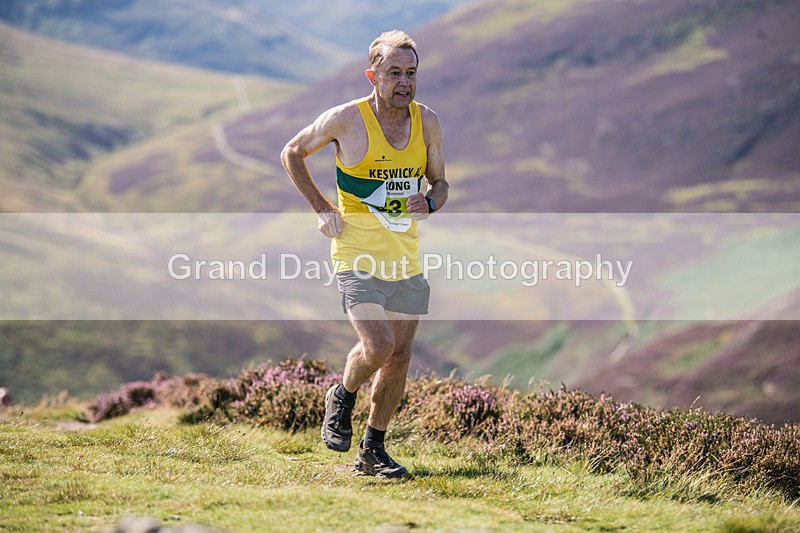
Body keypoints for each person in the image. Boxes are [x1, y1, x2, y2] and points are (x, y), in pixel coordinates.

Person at [281, 30, 448, 478]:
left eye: (411, 74)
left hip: (405, 256)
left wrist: (429, 202)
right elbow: (292, 152)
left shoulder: (427, 122)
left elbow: (441, 185)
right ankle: (343, 393)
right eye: (394, 73)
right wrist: (321, 206)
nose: (404, 83)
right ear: (373, 75)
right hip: (355, 252)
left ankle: (372, 450)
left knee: (400, 357)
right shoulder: (345, 120)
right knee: (378, 345)